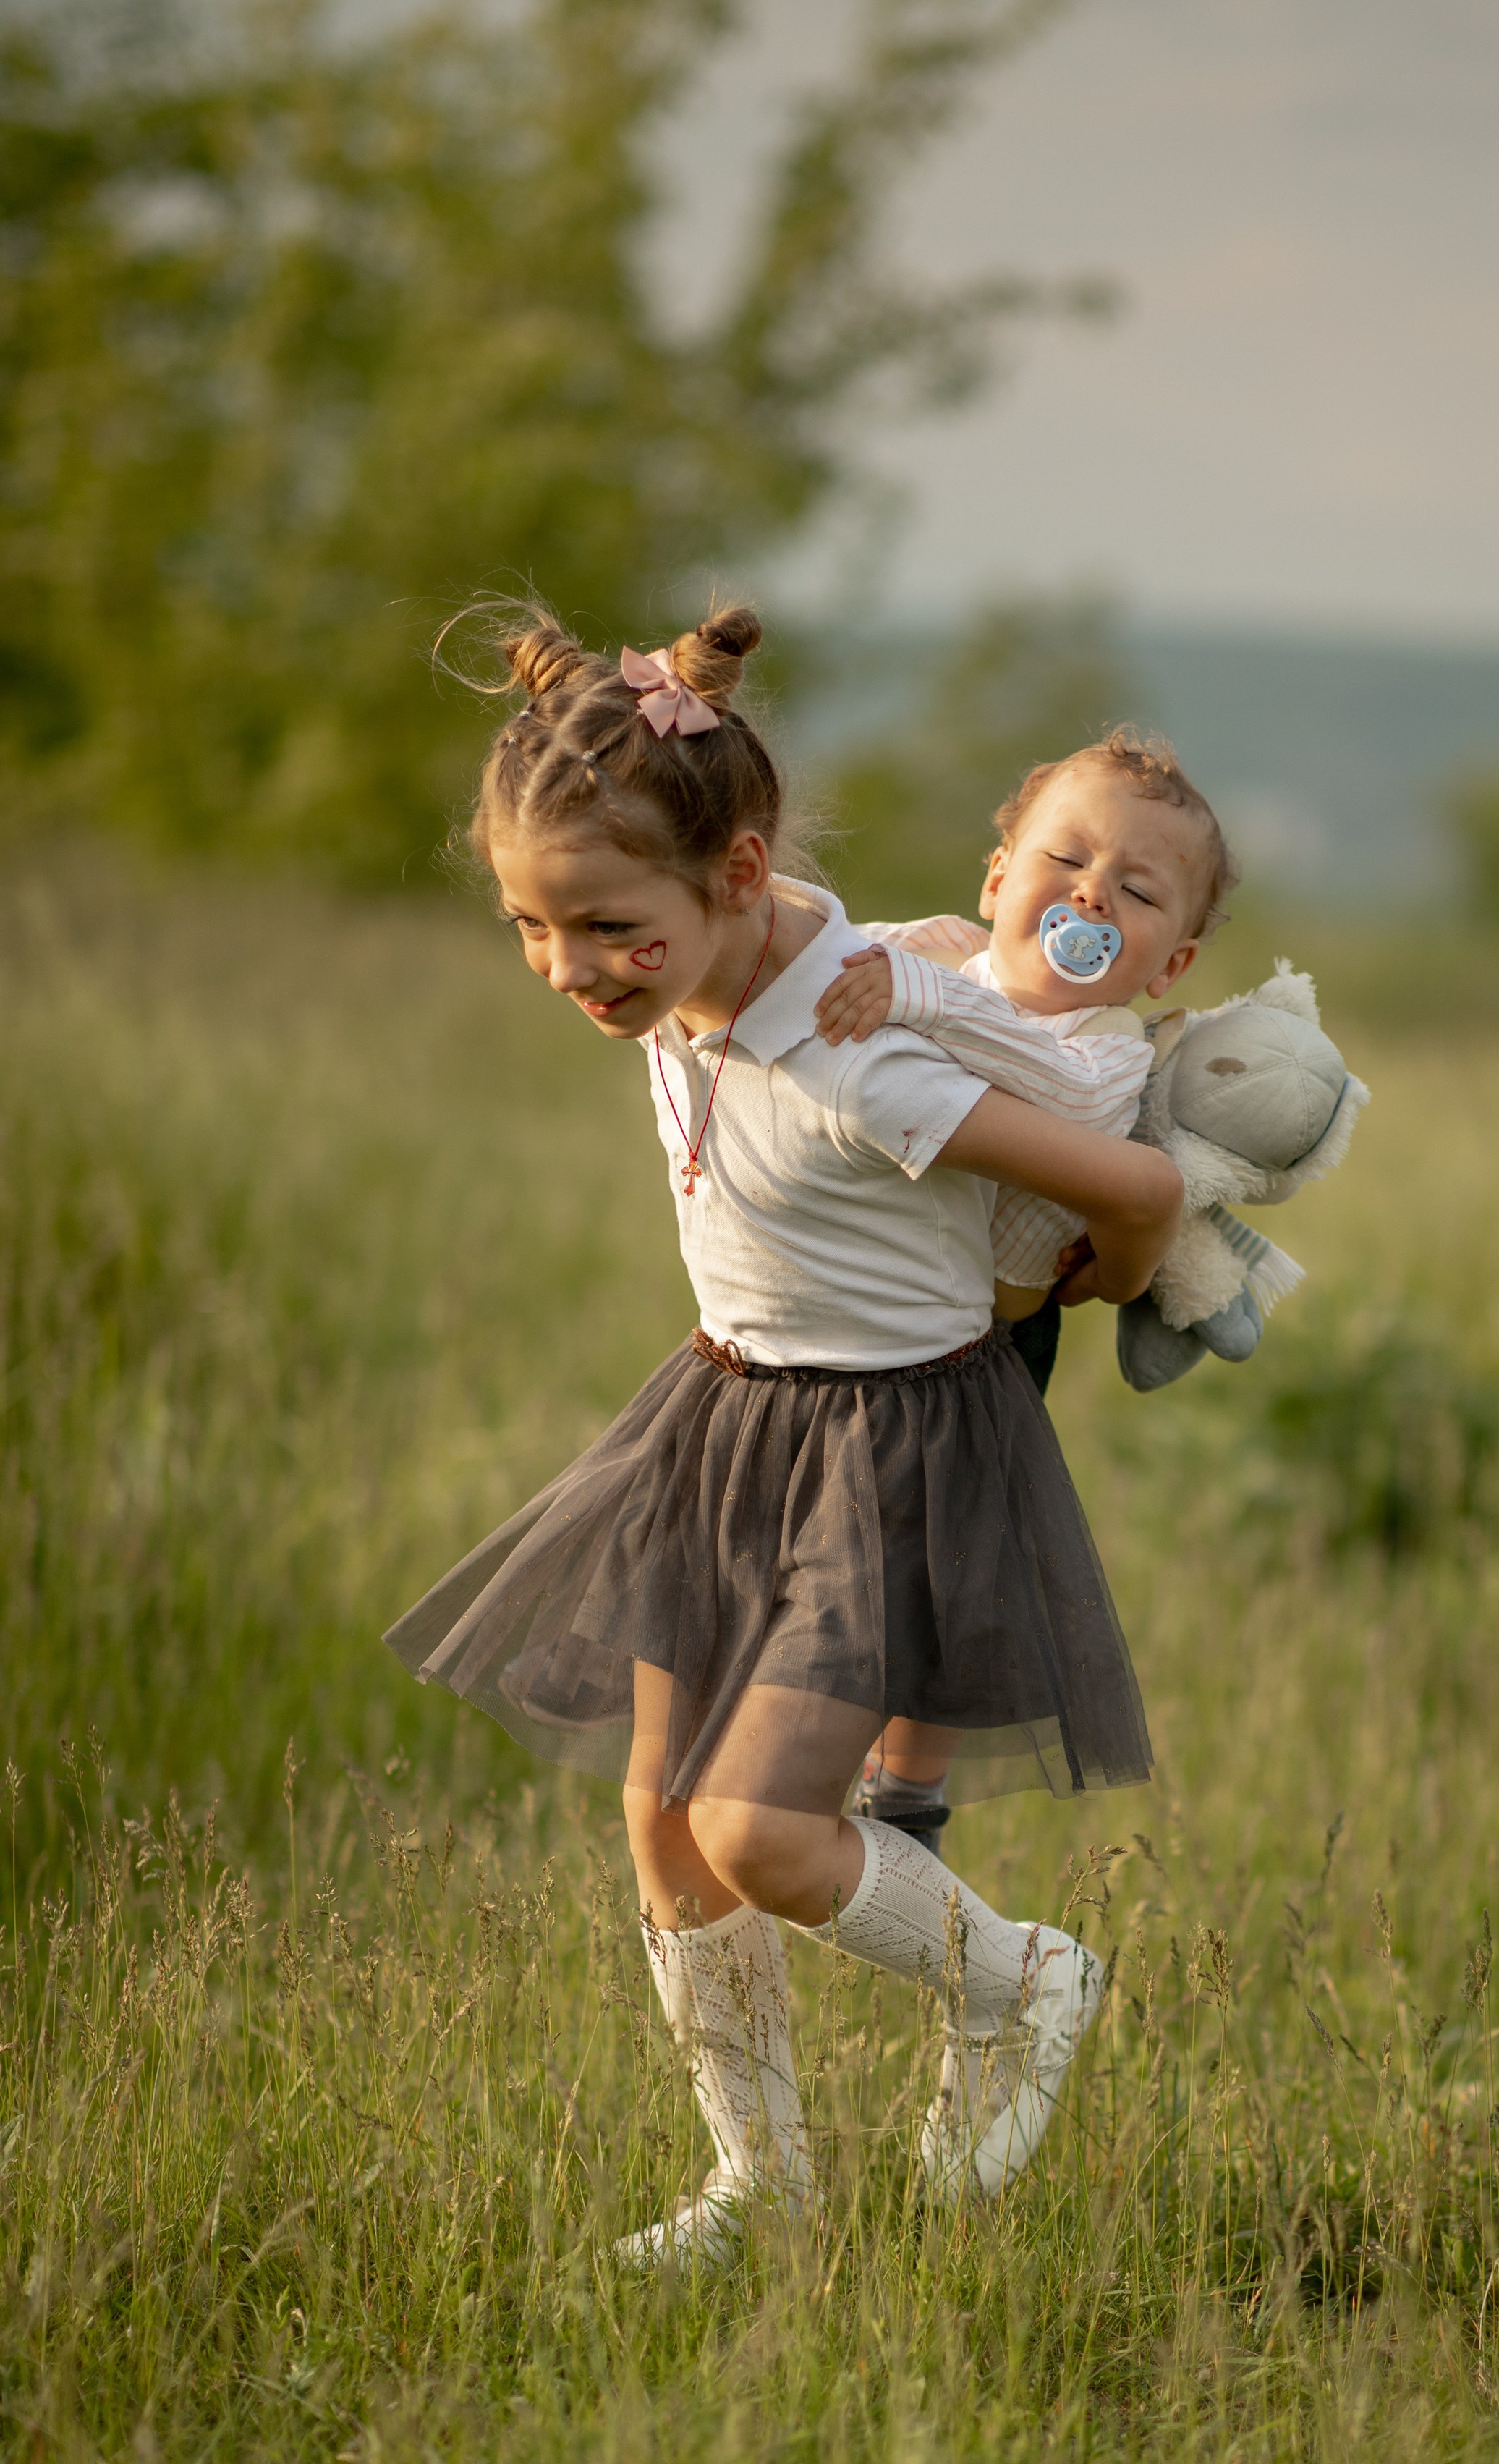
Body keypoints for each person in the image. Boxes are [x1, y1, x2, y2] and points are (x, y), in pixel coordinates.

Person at [385, 601, 1184, 2269]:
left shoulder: (856, 1063)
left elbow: (1134, 1183)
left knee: (761, 1829)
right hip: (724, 1412)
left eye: (605, 929)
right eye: (535, 929)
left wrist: (1096, 1288)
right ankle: (764, 2185)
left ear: (731, 881)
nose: (572, 970)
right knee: (662, 1810)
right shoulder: (736, 937)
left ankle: (1021, 1981)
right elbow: (795, 921)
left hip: (888, 1451)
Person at [817, 729, 1239, 1855]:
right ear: (999, 878)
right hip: (860, 1307)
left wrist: (910, 995)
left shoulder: (1106, 1055)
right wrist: (856, 959)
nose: (1092, 892)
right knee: (833, 1553)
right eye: (1066, 862)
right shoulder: (931, 960)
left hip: (990, 1342)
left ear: (1170, 966)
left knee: (956, 1565)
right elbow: (835, 954)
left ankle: (909, 1790)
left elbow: (1025, 1066)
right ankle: (817, 1742)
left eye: (1138, 891)